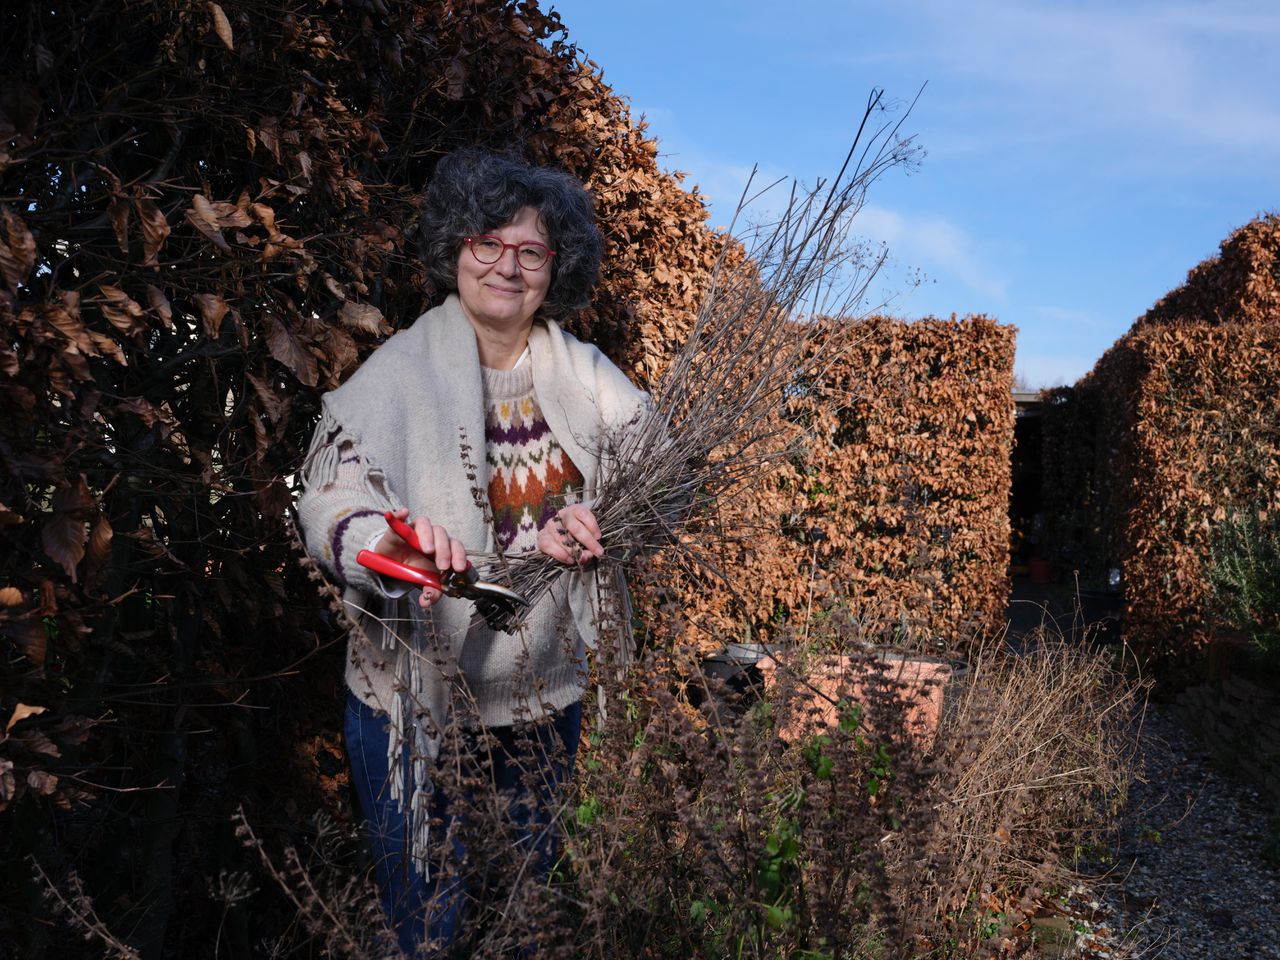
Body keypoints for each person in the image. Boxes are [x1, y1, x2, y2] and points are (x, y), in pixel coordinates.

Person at [296, 149, 647, 954]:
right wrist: (392, 545)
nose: (506, 267)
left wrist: (599, 522)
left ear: (555, 269)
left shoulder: (589, 376)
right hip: (409, 704)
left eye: (530, 251)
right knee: (427, 929)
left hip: (539, 704)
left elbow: (660, 480)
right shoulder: (399, 372)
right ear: (456, 248)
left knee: (527, 924)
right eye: (488, 243)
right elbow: (326, 501)